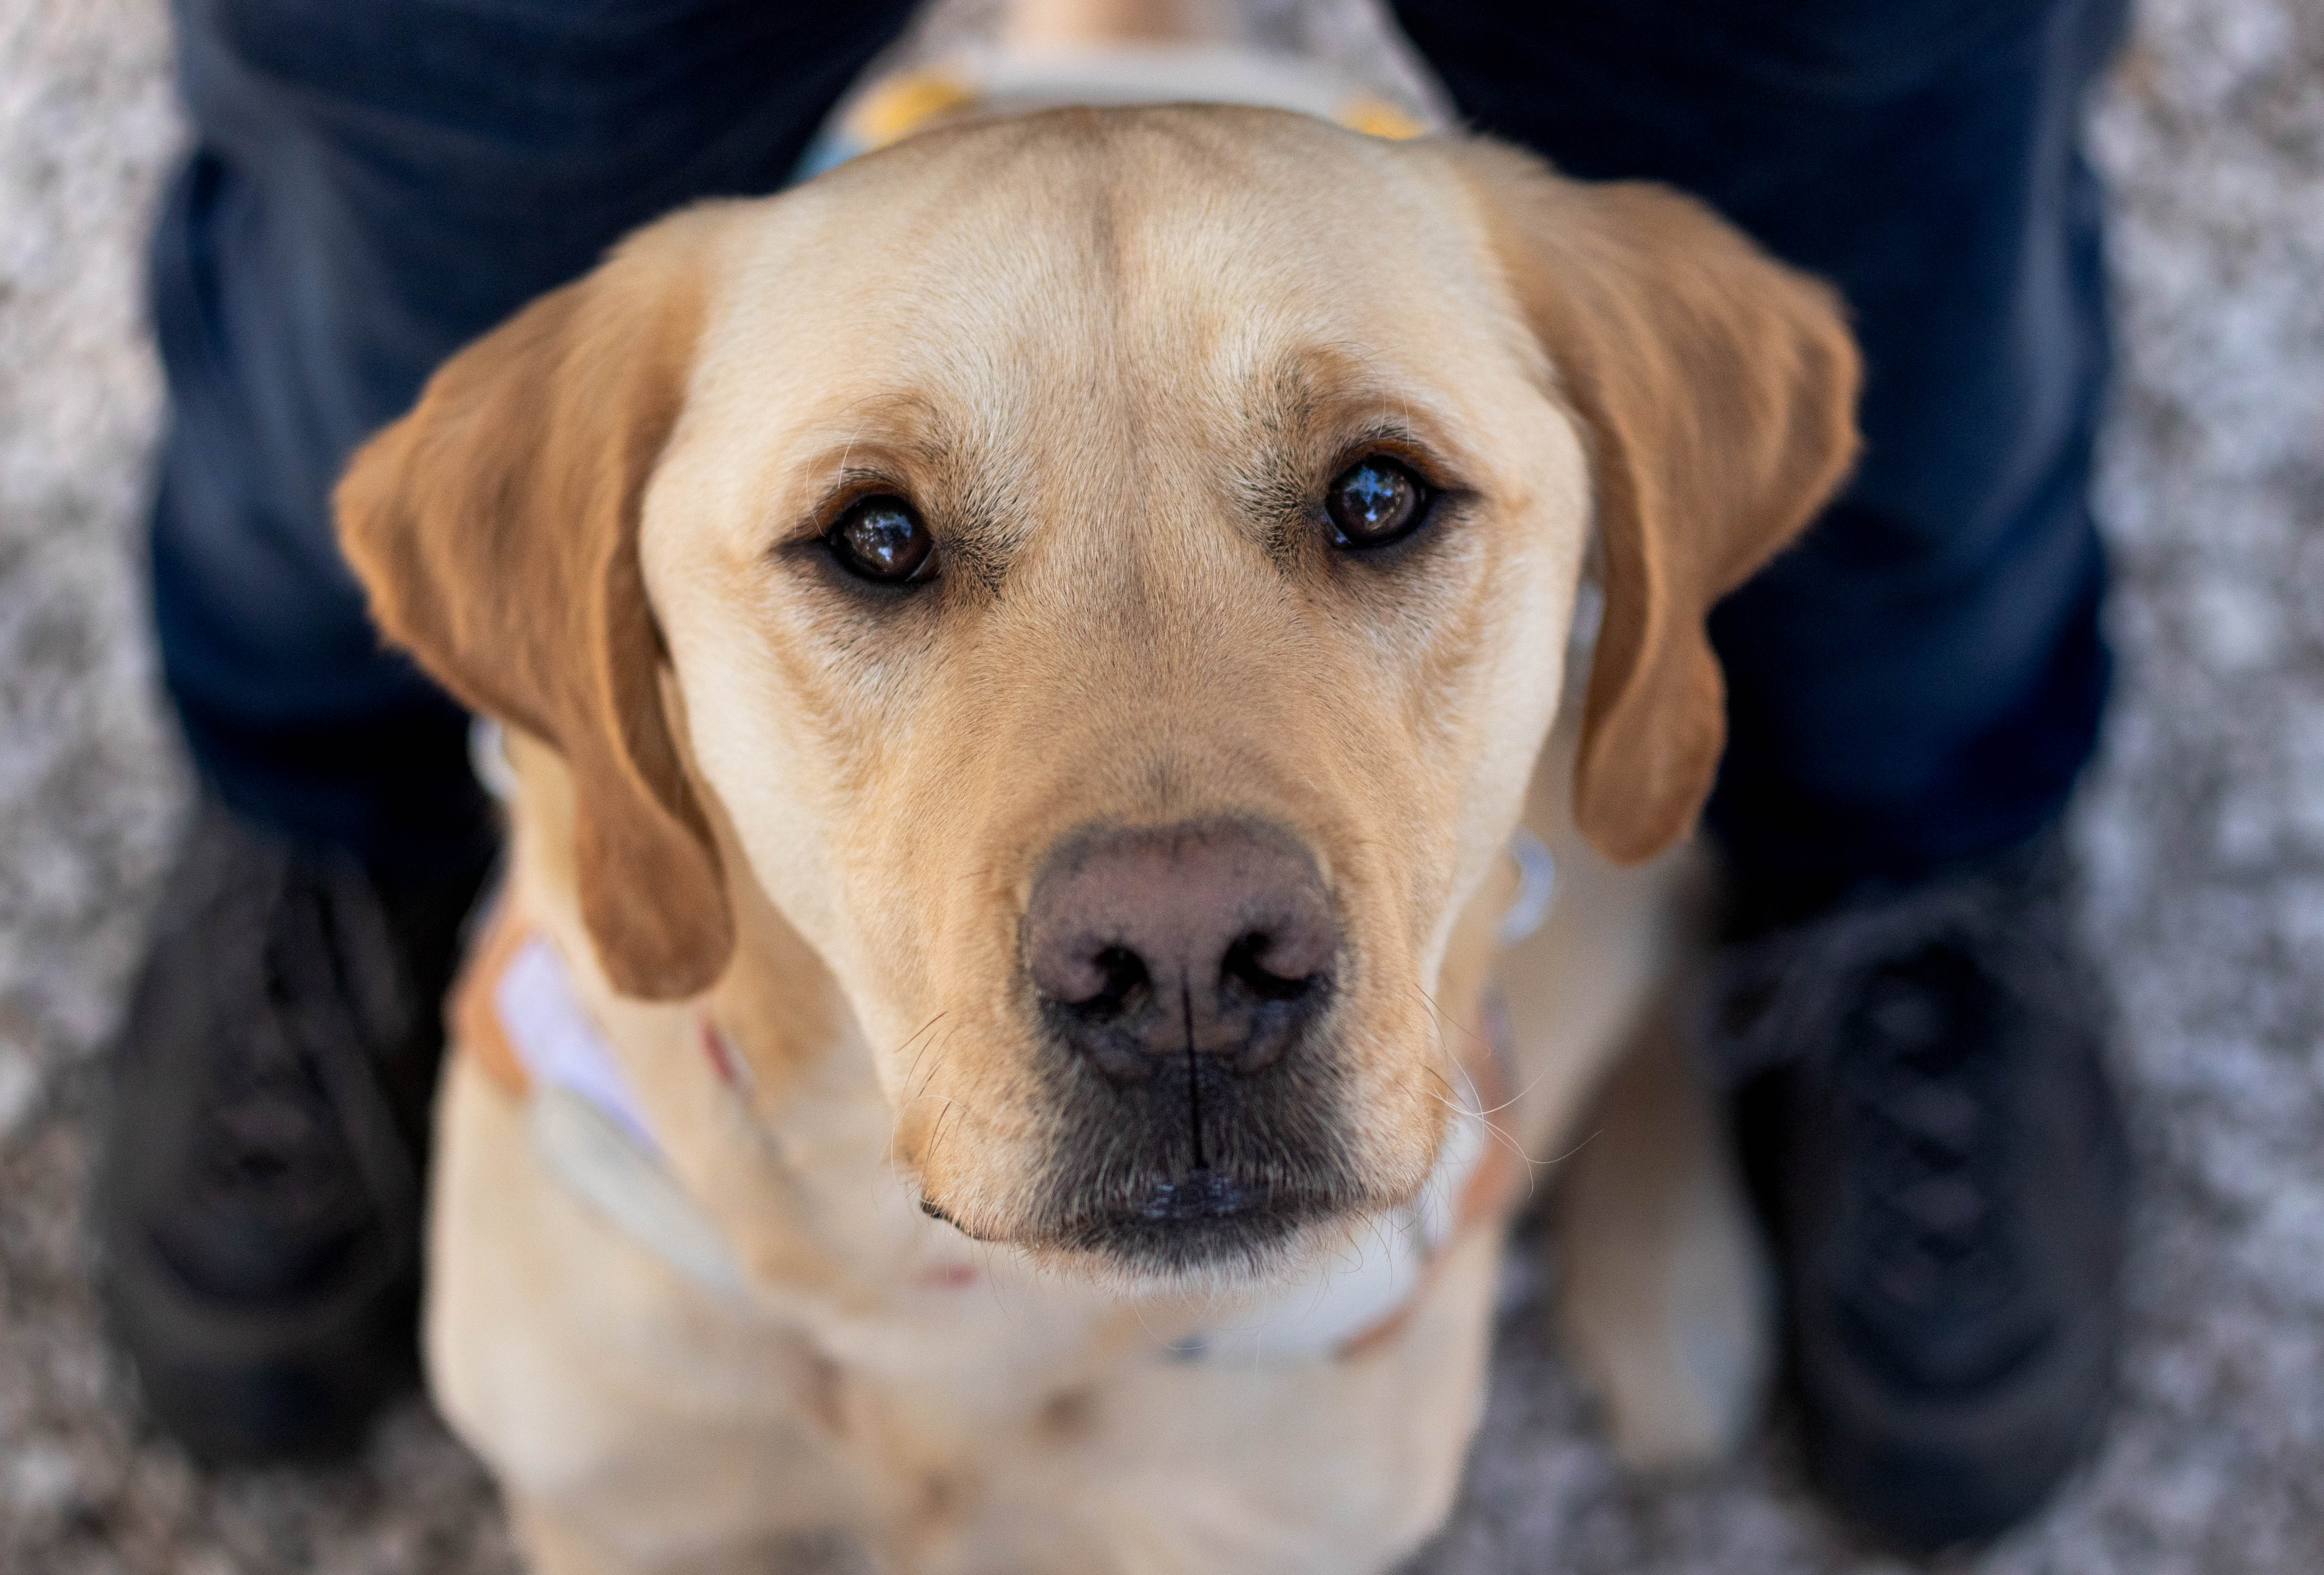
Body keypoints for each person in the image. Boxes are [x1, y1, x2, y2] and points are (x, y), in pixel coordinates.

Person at [98, 0, 2130, 1552]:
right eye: (876, 545)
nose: (1174, 934)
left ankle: (1867, 880)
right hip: (673, 1183)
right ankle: (322, 807)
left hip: (1296, 1362)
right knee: (444, 109)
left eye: (1369, 502)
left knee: (1843, 86)